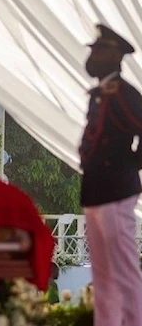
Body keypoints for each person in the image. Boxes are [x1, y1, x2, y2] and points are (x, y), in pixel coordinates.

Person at [79, 24, 142, 326]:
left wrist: (131, 164)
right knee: (102, 274)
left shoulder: (124, 93)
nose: (93, 56)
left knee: (124, 270)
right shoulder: (103, 92)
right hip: (96, 190)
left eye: (99, 50)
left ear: (115, 56)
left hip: (116, 189)